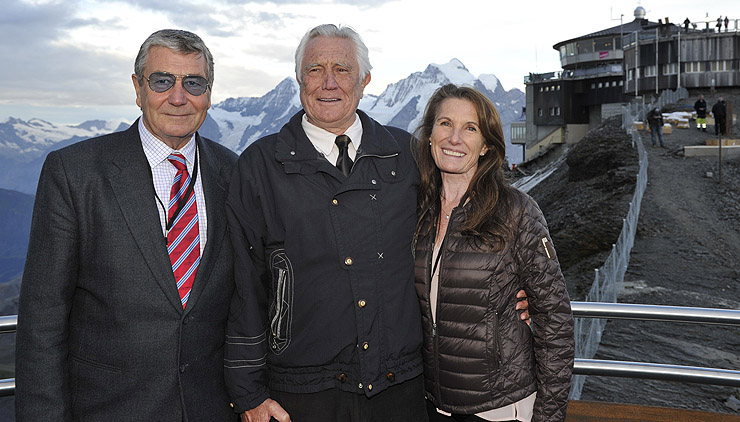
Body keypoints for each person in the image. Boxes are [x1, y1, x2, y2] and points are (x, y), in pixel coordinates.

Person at [224, 25, 530, 422]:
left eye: (343, 69)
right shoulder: (259, 165)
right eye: (315, 69)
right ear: (299, 79)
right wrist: (247, 393)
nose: (328, 82)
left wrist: (511, 292)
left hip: (401, 390)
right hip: (301, 394)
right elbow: (243, 285)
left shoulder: (408, 155)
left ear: (365, 80)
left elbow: (463, 219)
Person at [15, 29, 239, 421]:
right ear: (138, 88)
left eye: (194, 83)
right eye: (162, 81)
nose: (178, 96)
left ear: (209, 92)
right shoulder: (75, 173)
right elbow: (42, 324)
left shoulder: (235, 173)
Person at [412, 84, 574, 422]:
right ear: (429, 135)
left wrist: (548, 416)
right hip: (431, 403)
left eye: (470, 128)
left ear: (486, 145)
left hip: (500, 408)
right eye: (445, 124)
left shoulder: (516, 211)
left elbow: (555, 322)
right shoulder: (416, 210)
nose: (454, 138)